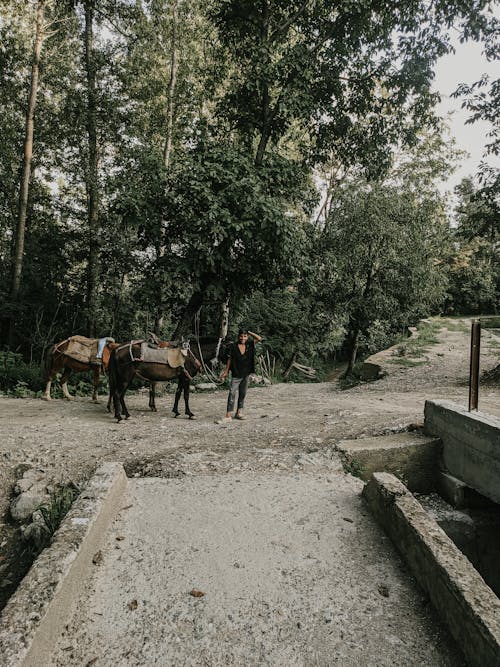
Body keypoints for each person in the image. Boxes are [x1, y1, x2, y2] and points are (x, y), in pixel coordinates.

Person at [217, 328, 262, 423]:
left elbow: (259, 338)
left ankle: (239, 413)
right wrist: (225, 372)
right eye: (241, 336)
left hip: (246, 373)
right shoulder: (233, 346)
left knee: (243, 394)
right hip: (236, 373)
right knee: (232, 393)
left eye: (245, 336)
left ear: (247, 337)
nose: (243, 338)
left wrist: (249, 331)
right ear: (238, 336)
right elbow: (230, 360)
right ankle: (228, 415)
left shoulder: (250, 344)